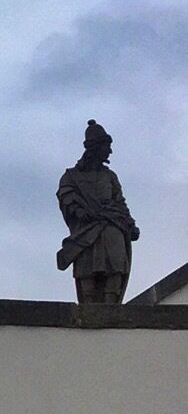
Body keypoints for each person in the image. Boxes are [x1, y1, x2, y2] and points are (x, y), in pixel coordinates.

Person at [57, 119, 139, 306]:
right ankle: (88, 309)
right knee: (87, 268)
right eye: (107, 147)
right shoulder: (71, 177)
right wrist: (79, 212)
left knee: (116, 265)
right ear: (95, 147)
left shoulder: (110, 176)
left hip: (113, 226)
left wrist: (131, 224)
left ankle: (112, 309)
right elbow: (66, 197)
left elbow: (120, 203)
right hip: (86, 230)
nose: (109, 151)